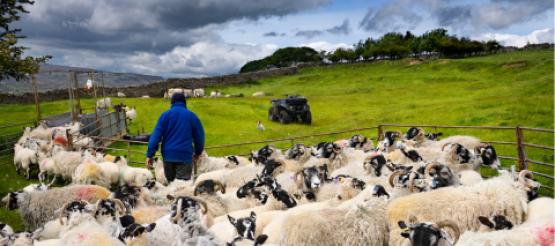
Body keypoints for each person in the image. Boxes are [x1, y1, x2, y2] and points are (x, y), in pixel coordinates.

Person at [146, 93, 205, 182]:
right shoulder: (192, 116)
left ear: (172, 103)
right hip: (184, 157)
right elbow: (199, 137)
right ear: (185, 102)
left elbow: (155, 137)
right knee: (181, 188)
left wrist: (150, 155)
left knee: (171, 185)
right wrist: (198, 152)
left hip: (168, 157)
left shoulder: (164, 116)